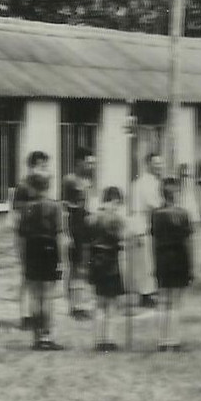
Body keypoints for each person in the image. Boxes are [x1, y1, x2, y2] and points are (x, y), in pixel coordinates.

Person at [17, 170, 65, 351]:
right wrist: (61, 260)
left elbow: (21, 238)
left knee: (35, 296)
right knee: (48, 296)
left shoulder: (26, 209)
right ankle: (47, 336)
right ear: (48, 186)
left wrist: (23, 259)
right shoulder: (55, 207)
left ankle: (37, 337)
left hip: (31, 250)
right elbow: (60, 235)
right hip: (49, 249)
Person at [150, 178, 193, 353]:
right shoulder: (183, 214)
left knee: (163, 301)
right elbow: (188, 242)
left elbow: (153, 241)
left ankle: (162, 340)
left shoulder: (155, 214)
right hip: (179, 258)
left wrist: (154, 262)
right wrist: (190, 265)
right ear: (175, 193)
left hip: (162, 258)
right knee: (176, 302)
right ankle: (174, 341)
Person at [85, 186, 128, 352]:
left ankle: (99, 340)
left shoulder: (92, 219)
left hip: (95, 263)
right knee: (111, 304)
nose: (117, 207)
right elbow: (121, 239)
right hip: (111, 263)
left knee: (99, 303)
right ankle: (109, 339)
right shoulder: (115, 220)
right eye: (117, 203)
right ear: (112, 201)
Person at [13, 151, 52, 330]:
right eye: (41, 165)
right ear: (33, 166)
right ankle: (24, 315)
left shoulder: (43, 185)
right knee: (26, 276)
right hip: (26, 236)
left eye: (45, 165)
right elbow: (17, 213)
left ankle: (34, 314)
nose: (44, 169)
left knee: (37, 278)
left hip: (39, 237)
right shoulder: (23, 186)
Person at [60, 150, 96, 321]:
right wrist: (66, 232)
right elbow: (65, 209)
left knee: (82, 267)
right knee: (74, 267)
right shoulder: (69, 180)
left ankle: (80, 304)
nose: (91, 166)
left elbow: (87, 206)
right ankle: (73, 306)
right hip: (74, 228)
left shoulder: (88, 181)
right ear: (79, 162)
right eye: (88, 162)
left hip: (86, 228)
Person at [128, 151, 167, 307]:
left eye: (161, 164)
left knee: (148, 261)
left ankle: (149, 293)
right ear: (148, 164)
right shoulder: (145, 183)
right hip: (143, 223)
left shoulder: (153, 181)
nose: (160, 166)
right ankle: (146, 295)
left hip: (149, 224)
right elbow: (155, 205)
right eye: (156, 164)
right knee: (145, 261)